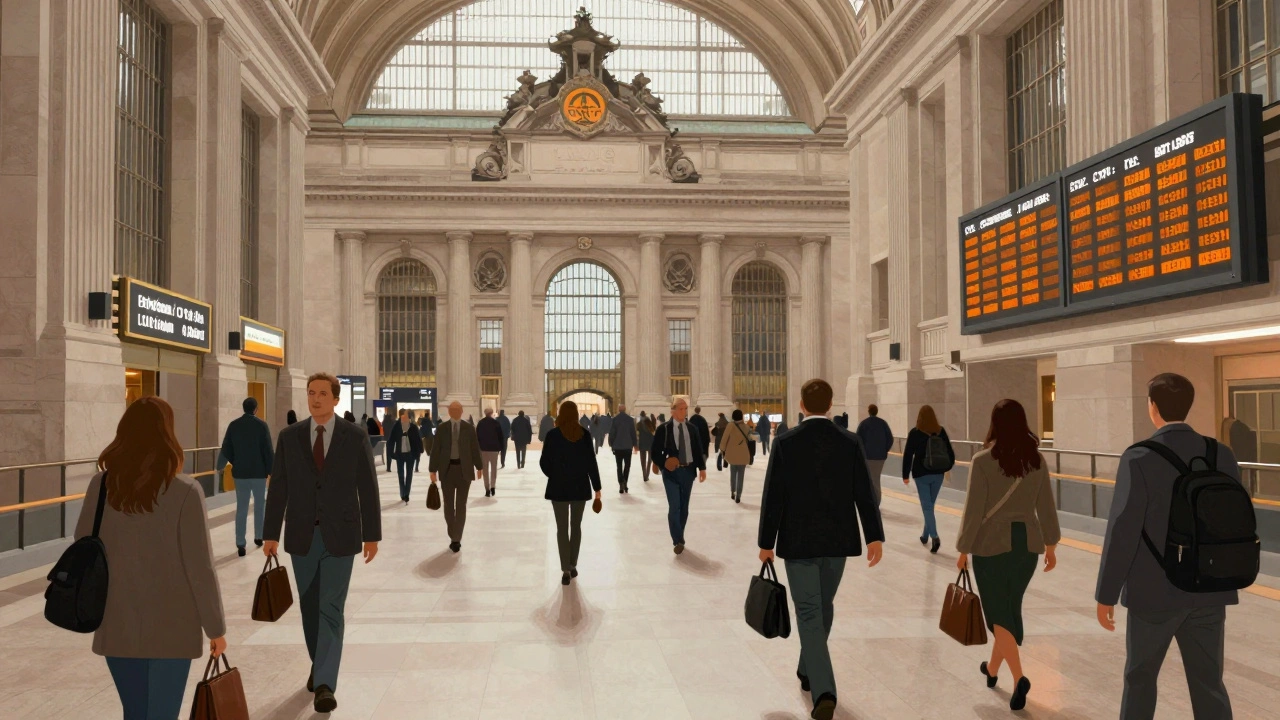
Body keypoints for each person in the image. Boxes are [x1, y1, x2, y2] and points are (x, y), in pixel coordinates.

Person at [1095, 373, 1241, 720]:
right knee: (1209, 682)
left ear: (1153, 407)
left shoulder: (1139, 457)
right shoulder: (1221, 454)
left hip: (1153, 594)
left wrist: (1106, 593)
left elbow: (1123, 530)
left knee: (1140, 678)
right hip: (1209, 588)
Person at [76, 397, 227, 720]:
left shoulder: (100, 486)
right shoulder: (186, 490)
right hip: (173, 625)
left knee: (134, 712)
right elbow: (200, 567)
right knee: (162, 713)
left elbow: (82, 543)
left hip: (117, 622)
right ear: (167, 434)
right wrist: (215, 627)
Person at [757, 379, 884, 720]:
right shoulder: (850, 442)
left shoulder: (785, 443)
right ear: (830, 406)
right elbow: (864, 494)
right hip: (837, 543)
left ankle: (822, 689)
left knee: (814, 611)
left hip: (798, 543)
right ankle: (813, 673)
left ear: (801, 405)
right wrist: (874, 536)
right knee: (821, 607)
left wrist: (765, 543)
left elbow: (774, 498)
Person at [263, 372, 382, 714]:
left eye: (321, 394)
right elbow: (280, 488)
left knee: (331, 608)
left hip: (341, 536)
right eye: (310, 393)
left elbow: (367, 488)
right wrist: (270, 532)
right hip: (302, 535)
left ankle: (326, 683)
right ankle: (320, 665)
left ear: (335, 399)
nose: (315, 399)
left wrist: (371, 534)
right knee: (309, 606)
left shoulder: (354, 437)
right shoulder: (289, 437)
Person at [956, 399, 1060, 712]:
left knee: (999, 615)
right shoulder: (1037, 460)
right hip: (1026, 546)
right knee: (1010, 609)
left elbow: (974, 510)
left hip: (991, 546)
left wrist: (963, 549)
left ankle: (1019, 679)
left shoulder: (983, 460)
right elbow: (1046, 506)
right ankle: (991, 669)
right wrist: (1051, 545)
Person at [540, 401, 603, 586]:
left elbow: (544, 462)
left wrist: (555, 474)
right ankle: (573, 563)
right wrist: (597, 488)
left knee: (561, 529)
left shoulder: (552, 435)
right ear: (576, 415)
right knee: (576, 527)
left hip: (558, 488)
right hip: (579, 487)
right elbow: (592, 463)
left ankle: (565, 568)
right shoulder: (584, 435)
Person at [216, 397, 274, 556]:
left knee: (241, 508)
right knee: (259, 505)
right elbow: (268, 450)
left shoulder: (234, 425)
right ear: (256, 409)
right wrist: (272, 471)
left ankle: (240, 543)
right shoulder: (262, 426)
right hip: (258, 474)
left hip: (240, 474)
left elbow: (226, 447)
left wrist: (219, 466)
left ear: (244, 408)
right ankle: (259, 536)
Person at [649, 398, 707, 554]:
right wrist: (665, 462)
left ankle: (680, 534)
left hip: (688, 472)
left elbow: (697, 449)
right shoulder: (664, 429)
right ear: (672, 411)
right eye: (681, 409)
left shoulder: (692, 429)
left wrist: (702, 468)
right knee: (675, 506)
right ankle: (677, 540)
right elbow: (654, 452)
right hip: (671, 473)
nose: (684, 412)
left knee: (684, 508)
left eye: (685, 409)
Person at [429, 401, 485, 552]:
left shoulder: (469, 428)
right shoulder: (442, 429)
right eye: (452, 410)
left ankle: (456, 538)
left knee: (461, 505)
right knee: (448, 505)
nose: (455, 412)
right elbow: (436, 450)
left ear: (462, 411)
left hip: (464, 471)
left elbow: (475, 448)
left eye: (457, 409)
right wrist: (432, 470)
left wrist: (479, 466)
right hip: (446, 471)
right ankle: (453, 532)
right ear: (449, 412)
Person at [900, 404, 955, 553]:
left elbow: (908, 455)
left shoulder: (915, 432)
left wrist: (905, 475)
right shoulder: (941, 431)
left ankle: (934, 537)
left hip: (921, 474)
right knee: (929, 506)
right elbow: (950, 453)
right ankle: (925, 535)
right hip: (938, 474)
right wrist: (946, 468)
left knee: (927, 506)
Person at [855, 404, 894, 506]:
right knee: (876, 479)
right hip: (880, 457)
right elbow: (890, 439)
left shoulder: (864, 424)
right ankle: (876, 502)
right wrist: (884, 450)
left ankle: (871, 502)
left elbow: (858, 440)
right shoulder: (883, 423)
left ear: (869, 411)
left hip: (868, 457)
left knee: (869, 479)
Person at [387, 408, 424, 504]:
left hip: (410, 454)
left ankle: (406, 493)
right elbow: (391, 440)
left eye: (406, 415)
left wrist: (419, 451)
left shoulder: (413, 427)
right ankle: (402, 492)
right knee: (400, 474)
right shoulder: (397, 426)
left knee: (409, 474)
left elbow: (418, 440)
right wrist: (391, 453)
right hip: (399, 454)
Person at [722, 409, 753, 503]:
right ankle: (738, 495)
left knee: (733, 474)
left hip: (732, 455)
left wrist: (722, 450)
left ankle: (732, 492)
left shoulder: (730, 426)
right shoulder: (747, 427)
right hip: (743, 455)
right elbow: (751, 440)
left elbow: (724, 439)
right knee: (741, 476)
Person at [608, 403, 639, 493]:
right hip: (627, 447)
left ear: (618, 410)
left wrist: (611, 444)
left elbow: (612, 433)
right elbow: (633, 433)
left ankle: (621, 483)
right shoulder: (630, 420)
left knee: (619, 466)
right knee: (627, 465)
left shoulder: (615, 419)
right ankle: (625, 481)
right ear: (625, 410)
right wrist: (635, 445)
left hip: (617, 447)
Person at [476, 408, 504, 497]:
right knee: (494, 469)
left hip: (483, 449)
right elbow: (501, 437)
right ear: (491, 413)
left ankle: (487, 489)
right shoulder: (496, 423)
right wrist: (500, 448)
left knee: (485, 469)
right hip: (494, 449)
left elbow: (477, 437)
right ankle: (493, 486)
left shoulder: (480, 423)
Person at [638, 413, 656, 482]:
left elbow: (637, 433)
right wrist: (653, 418)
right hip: (650, 443)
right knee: (650, 460)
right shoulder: (650, 424)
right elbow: (654, 431)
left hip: (642, 443)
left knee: (643, 461)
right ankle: (647, 474)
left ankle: (644, 475)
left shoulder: (639, 424)